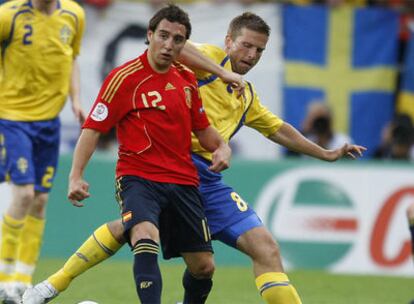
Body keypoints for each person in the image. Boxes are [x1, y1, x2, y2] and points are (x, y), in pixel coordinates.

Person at [24, 11, 366, 304]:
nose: (251, 54)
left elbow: (277, 129)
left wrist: (325, 153)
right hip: (165, 164)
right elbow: (176, 46)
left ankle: (52, 285)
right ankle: (54, 284)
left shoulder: (245, 96)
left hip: (206, 180)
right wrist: (222, 72)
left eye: (259, 50)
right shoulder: (206, 60)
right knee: (138, 230)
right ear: (229, 41)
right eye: (245, 45)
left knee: (260, 250)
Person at [24, 4, 232, 304]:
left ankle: (52, 285)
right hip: (139, 176)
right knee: (144, 236)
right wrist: (76, 176)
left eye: (177, 40)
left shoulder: (186, 80)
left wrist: (222, 147)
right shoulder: (124, 78)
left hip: (184, 180)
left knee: (203, 267)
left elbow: (203, 130)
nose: (169, 45)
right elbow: (93, 128)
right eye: (163, 36)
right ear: (150, 35)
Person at [0, 0, 85, 302]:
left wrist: (76, 100)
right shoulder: (8, 15)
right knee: (22, 195)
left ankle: (22, 278)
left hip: (49, 123)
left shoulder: (74, 15)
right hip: (13, 119)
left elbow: (72, 59)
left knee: (40, 201)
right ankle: (4, 276)